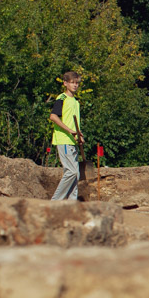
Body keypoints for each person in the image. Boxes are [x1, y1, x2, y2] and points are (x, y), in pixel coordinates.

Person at [49, 70, 84, 201]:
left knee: (76, 174)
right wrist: (70, 130)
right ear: (65, 83)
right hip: (63, 140)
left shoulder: (75, 101)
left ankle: (71, 204)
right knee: (72, 172)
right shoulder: (61, 98)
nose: (75, 85)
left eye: (77, 83)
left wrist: (78, 135)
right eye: (72, 83)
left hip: (73, 141)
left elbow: (75, 123)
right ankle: (55, 202)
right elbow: (53, 116)